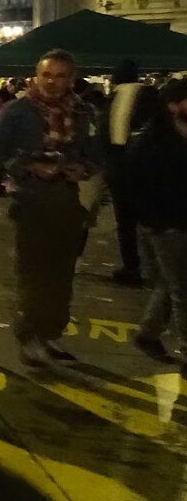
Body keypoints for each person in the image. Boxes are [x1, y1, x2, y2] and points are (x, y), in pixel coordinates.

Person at [0, 49, 101, 367]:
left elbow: (96, 153)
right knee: (33, 275)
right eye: (46, 75)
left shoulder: (83, 114)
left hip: (68, 202)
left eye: (60, 76)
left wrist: (83, 168)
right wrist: (29, 166)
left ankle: (50, 333)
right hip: (31, 203)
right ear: (35, 76)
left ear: (71, 80)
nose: (52, 82)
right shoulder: (16, 111)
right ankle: (29, 336)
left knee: (62, 275)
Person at [130, 79, 187, 376]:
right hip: (165, 224)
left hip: (178, 220)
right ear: (173, 105)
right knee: (182, 289)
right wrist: (156, 223)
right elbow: (142, 187)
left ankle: (148, 333)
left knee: (171, 283)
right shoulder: (154, 140)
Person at [99, 60, 160, 287]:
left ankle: (132, 266)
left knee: (125, 221)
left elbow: (105, 136)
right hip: (147, 169)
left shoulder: (113, 99)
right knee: (149, 220)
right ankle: (155, 267)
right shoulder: (150, 97)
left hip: (118, 167)